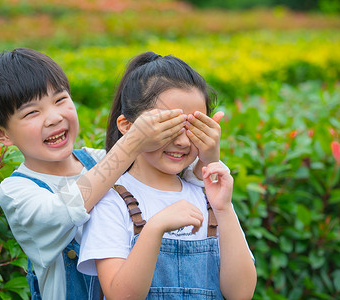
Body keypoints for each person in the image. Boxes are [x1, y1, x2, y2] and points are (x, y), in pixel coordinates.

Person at [0, 48, 215, 299]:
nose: (53, 118)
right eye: (32, 112)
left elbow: (180, 184)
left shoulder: (100, 159)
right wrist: (132, 142)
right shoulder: (16, 191)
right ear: (2, 134)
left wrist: (207, 152)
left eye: (60, 100)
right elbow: (64, 211)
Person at [77, 51, 257, 299]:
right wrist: (154, 229)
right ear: (128, 127)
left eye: (193, 127)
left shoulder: (209, 197)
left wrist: (224, 208)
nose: (182, 141)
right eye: (168, 126)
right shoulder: (112, 200)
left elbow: (241, 293)